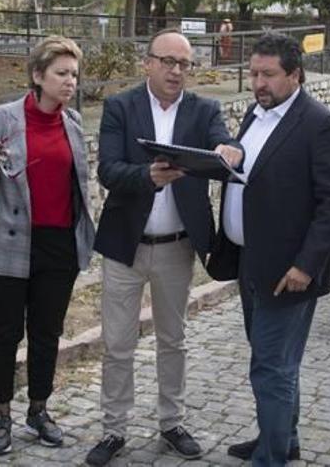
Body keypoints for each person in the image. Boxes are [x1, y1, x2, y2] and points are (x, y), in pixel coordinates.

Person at [86, 29, 243, 466]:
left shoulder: (204, 108)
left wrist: (230, 150)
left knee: (174, 341)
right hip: (125, 246)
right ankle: (113, 429)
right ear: (148, 63)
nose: (176, 71)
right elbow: (109, 171)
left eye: (184, 64)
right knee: (117, 343)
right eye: (168, 62)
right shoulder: (121, 106)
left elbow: (226, 143)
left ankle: (172, 422)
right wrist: (147, 178)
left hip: (178, 248)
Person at [209, 33, 330, 466]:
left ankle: (271, 457)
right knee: (274, 363)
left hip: (288, 271)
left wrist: (306, 266)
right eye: (253, 74)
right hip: (250, 261)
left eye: (268, 75)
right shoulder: (256, 112)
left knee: (272, 367)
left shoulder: (319, 123)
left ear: (295, 75)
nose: (258, 83)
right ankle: (282, 438)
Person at [0, 36, 96, 456]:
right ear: (38, 76)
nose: (70, 82)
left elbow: (80, 187)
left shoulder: (73, 123)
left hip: (59, 245)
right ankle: (0, 415)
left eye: (74, 74)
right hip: (7, 244)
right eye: (61, 73)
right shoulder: (2, 119)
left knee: (47, 333)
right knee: (4, 333)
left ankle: (38, 409)